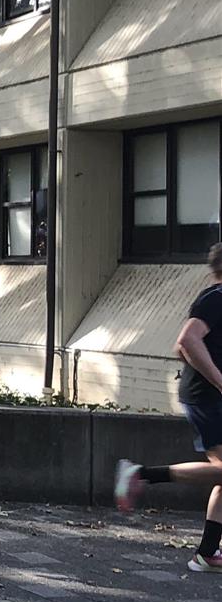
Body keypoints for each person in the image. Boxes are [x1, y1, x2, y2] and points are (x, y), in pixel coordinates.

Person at [116, 242, 222, 572]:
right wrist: (219, 381)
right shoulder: (216, 297)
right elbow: (186, 341)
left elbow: (184, 348)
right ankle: (141, 474)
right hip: (207, 398)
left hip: (208, 396)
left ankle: (206, 554)